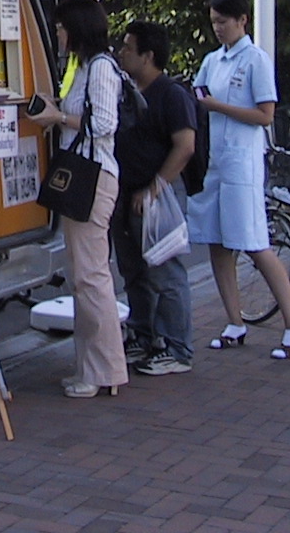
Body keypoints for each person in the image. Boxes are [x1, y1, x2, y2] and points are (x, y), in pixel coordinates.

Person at [187, 0, 290, 360]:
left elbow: (264, 115)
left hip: (242, 159)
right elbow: (198, 94)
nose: (218, 29)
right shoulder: (213, 60)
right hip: (215, 161)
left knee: (253, 242)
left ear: (242, 20)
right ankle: (234, 322)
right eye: (214, 23)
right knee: (217, 242)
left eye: (223, 22)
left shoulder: (255, 59)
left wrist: (216, 105)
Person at [28, 0, 130, 397]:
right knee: (85, 274)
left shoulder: (102, 68)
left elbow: (104, 124)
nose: (58, 33)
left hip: (93, 177)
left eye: (61, 27)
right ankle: (92, 367)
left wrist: (58, 117)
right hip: (85, 176)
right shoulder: (84, 67)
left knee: (91, 277)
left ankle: (104, 371)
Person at [112, 20, 197, 376]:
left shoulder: (171, 94)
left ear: (148, 56)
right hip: (124, 192)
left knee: (165, 271)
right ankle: (143, 335)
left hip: (157, 195)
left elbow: (185, 146)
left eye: (128, 48)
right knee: (133, 270)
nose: (121, 53)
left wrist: (155, 186)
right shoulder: (124, 91)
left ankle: (177, 348)